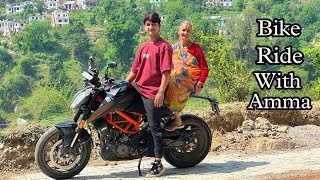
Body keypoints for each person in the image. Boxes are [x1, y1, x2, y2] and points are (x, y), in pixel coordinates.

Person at [125, 12, 173, 177]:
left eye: (153, 24)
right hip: (139, 87)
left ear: (159, 26)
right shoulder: (143, 47)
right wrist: (124, 85)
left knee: (154, 126)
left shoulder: (164, 46)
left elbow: (166, 73)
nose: (150, 27)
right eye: (148, 24)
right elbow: (134, 70)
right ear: (144, 27)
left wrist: (160, 92)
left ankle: (158, 162)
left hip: (153, 91)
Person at [164, 21, 209, 131]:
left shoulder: (196, 48)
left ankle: (177, 119)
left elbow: (205, 68)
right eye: (183, 30)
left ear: (191, 33)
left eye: (188, 31)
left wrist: (200, 83)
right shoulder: (173, 48)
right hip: (174, 76)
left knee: (172, 82)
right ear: (178, 31)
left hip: (189, 79)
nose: (185, 32)